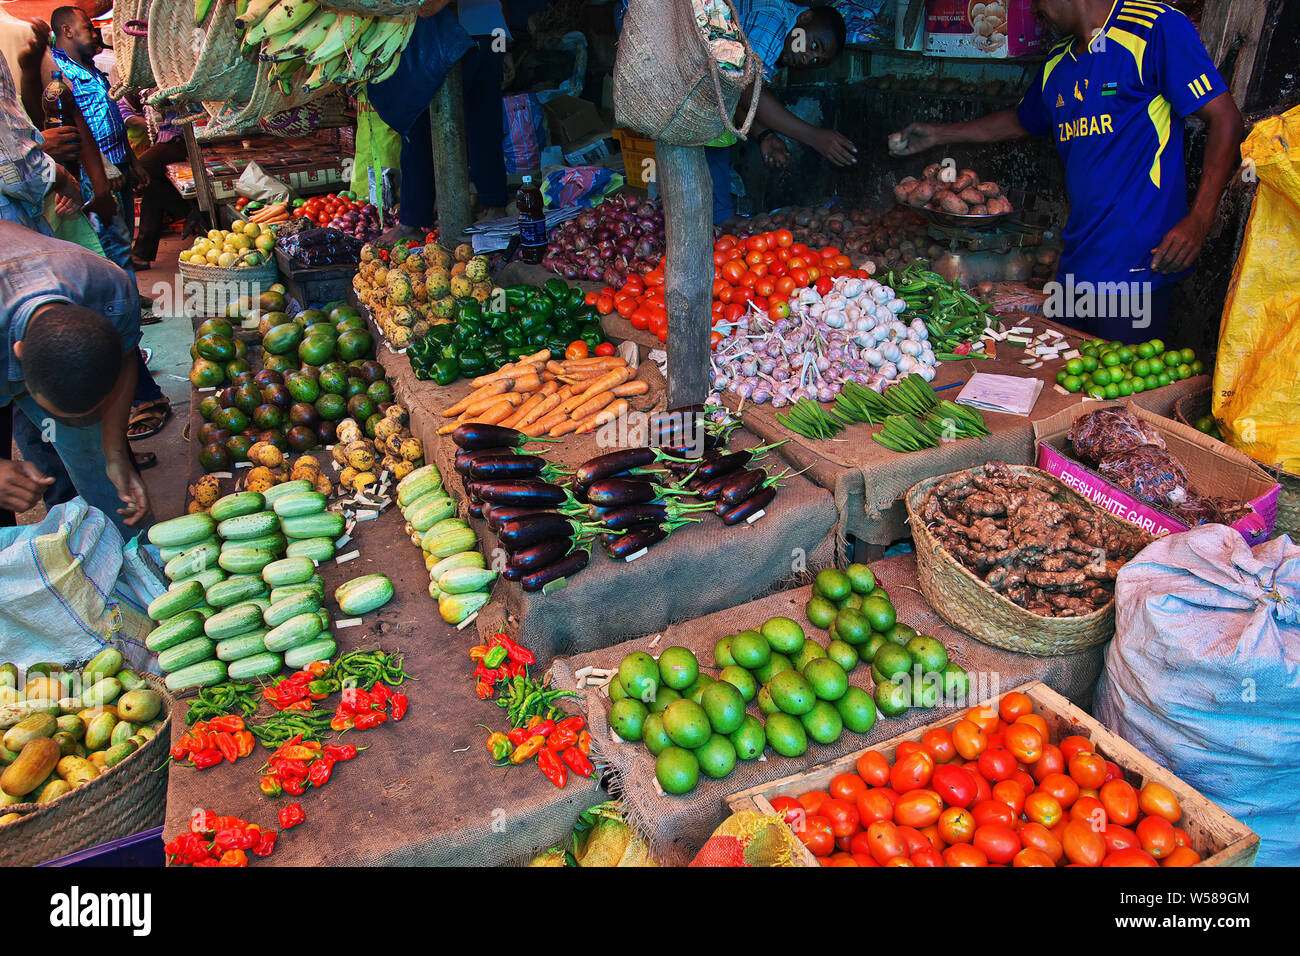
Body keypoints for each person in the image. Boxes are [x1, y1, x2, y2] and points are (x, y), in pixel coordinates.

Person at [890, 0, 1244, 343]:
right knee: (1062, 376)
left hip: (1138, 263)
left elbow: (1226, 119)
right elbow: (1020, 121)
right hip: (1076, 262)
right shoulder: (1058, 63)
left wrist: (1199, 221)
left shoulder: (1154, 28)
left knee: (1121, 390)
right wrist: (938, 134)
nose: (1033, 10)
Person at [0, 220, 151, 535]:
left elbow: (125, 359)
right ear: (20, 352)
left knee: (105, 474)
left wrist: (114, 453)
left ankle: (134, 565)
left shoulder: (112, 289)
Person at [708, 1, 859, 223]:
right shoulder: (773, 21)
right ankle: (717, 218)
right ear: (805, 18)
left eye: (817, 60)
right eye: (814, 45)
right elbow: (745, 89)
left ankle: (717, 217)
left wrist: (764, 135)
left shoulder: (783, 43)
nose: (808, 57)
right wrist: (814, 137)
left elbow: (730, 93)